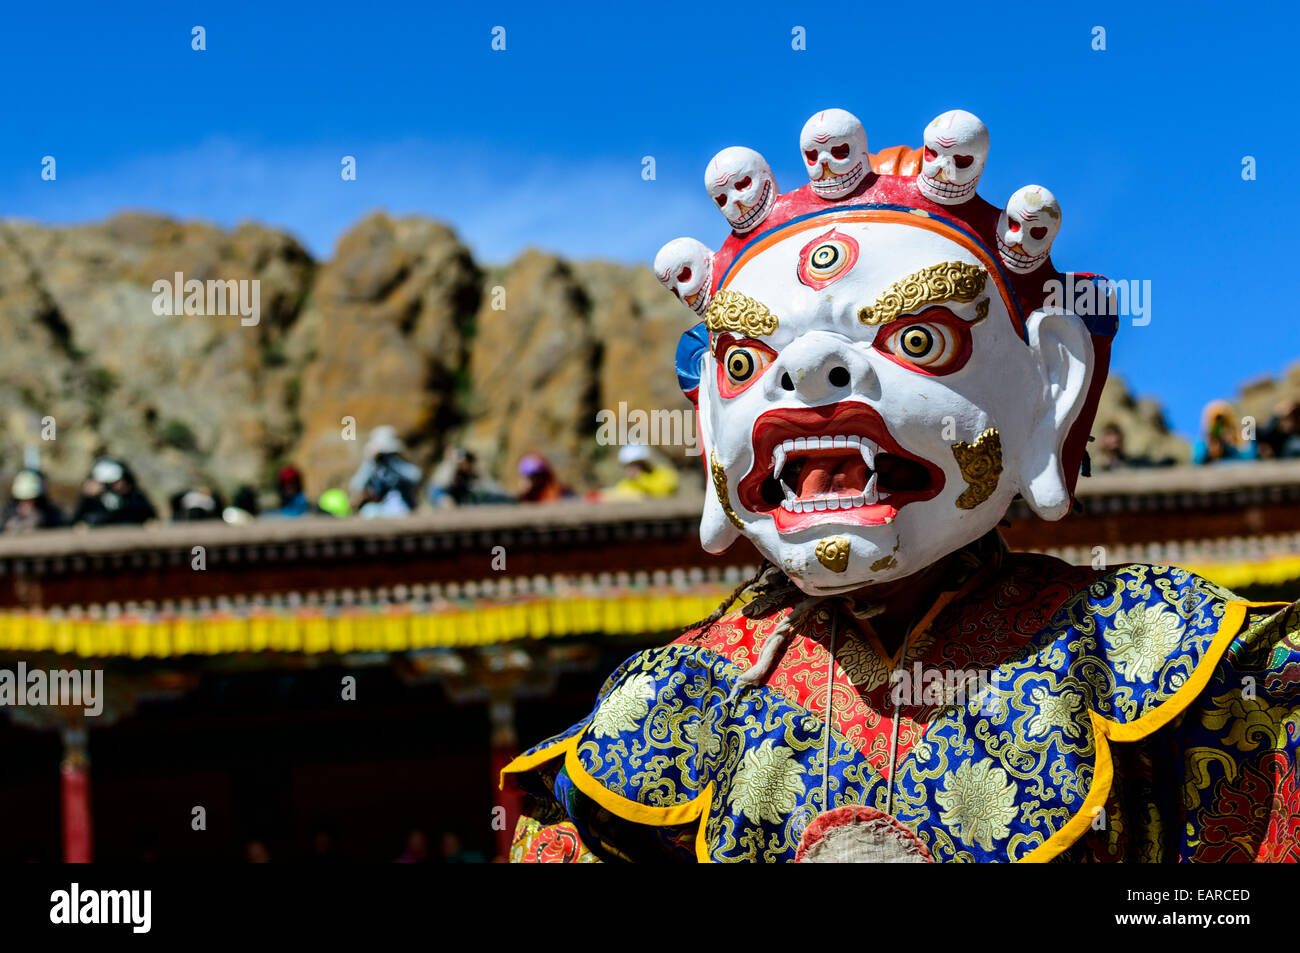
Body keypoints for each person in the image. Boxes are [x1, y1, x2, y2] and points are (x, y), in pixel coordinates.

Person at [503, 107, 1300, 863]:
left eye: (918, 337)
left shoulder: (1161, 657)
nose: (807, 371)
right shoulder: (658, 713)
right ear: (709, 418)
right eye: (745, 361)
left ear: (1050, 386)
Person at [349, 426, 423, 517]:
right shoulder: (374, 467)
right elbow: (356, 486)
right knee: (368, 511)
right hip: (381, 507)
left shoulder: (398, 464)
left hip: (404, 507)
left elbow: (415, 476)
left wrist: (392, 463)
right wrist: (370, 462)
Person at [71, 457, 156, 526]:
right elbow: (75, 521)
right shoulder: (92, 501)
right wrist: (87, 497)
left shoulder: (134, 497)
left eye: (116, 482)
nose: (114, 486)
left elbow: (150, 516)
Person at [426, 447, 514, 507]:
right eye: (465, 461)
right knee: (447, 503)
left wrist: (506, 493)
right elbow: (440, 484)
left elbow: (489, 484)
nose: (466, 464)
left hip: (459, 495)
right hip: (440, 492)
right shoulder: (450, 468)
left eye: (468, 461)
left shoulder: (472, 471)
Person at [600, 444, 680, 500]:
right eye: (630, 466)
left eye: (636, 464)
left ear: (645, 463)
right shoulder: (629, 483)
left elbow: (664, 490)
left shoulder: (664, 474)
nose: (632, 469)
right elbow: (618, 493)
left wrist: (641, 478)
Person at [1192, 399, 1257, 464]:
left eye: (1224, 423)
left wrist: (1232, 445)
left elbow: (1250, 458)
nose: (1221, 428)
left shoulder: (1239, 441)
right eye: (1217, 424)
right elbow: (1197, 460)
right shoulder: (1203, 443)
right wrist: (1210, 451)